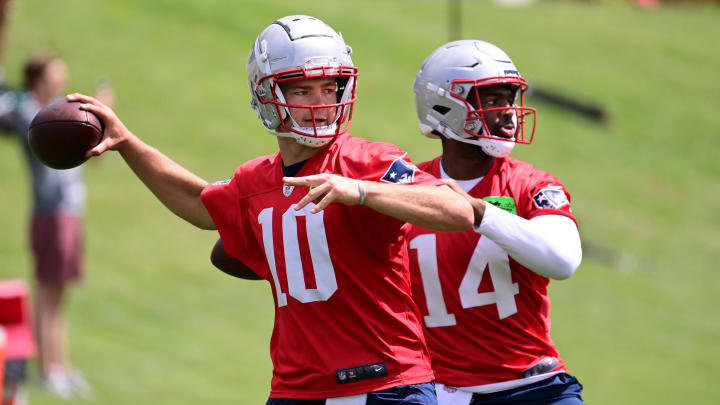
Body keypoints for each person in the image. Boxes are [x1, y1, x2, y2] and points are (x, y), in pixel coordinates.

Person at [68, 15, 475, 404]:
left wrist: (361, 191)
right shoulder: (255, 181)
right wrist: (127, 143)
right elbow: (197, 203)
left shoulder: (366, 161)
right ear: (268, 95)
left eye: (329, 88)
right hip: (297, 389)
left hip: (390, 385)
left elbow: (457, 210)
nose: (321, 102)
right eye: (302, 90)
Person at [405, 40, 585, 405]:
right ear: (446, 105)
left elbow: (563, 260)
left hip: (533, 388)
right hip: (440, 393)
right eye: (491, 100)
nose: (508, 113)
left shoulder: (532, 184)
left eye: (509, 98)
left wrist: (479, 213)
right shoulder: (408, 187)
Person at [0, 52, 112, 399]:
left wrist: (103, 122)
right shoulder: (31, 114)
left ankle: (60, 366)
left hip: (68, 211)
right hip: (50, 212)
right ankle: (47, 369)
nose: (62, 77)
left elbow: (91, 156)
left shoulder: (58, 113)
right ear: (38, 78)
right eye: (55, 72)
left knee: (60, 294)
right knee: (48, 292)